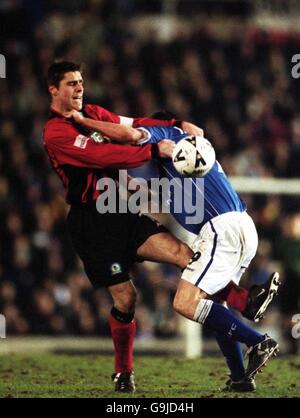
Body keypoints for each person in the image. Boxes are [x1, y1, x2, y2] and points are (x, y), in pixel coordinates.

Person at [67, 109, 281, 392]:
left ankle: (258, 341)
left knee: (185, 303)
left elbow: (132, 134)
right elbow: (148, 184)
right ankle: (240, 374)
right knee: (215, 305)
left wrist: (84, 123)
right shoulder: (171, 168)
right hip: (242, 227)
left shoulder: (168, 134)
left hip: (221, 230)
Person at [43, 61, 206, 393]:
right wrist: (150, 150)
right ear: (53, 89)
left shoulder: (92, 112)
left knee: (185, 254)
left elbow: (133, 123)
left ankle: (245, 306)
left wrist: (174, 123)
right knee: (126, 298)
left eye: (81, 82)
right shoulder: (56, 132)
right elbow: (102, 157)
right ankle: (123, 371)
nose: (79, 88)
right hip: (91, 221)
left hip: (119, 208)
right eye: (71, 83)